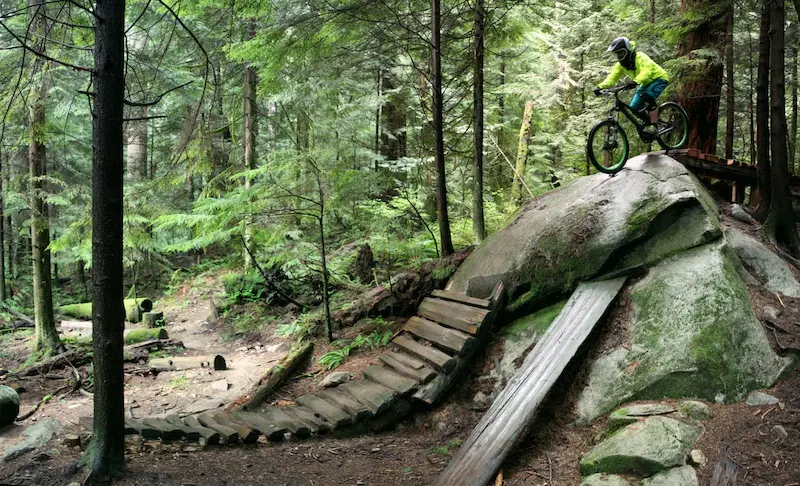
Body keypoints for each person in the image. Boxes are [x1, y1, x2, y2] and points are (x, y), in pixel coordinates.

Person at [594, 37, 669, 131]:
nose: (619, 56)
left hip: (659, 78)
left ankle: (654, 123)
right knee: (634, 107)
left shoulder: (640, 57)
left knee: (648, 96)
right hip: (645, 83)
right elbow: (612, 77)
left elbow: (647, 71)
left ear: (628, 50)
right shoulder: (621, 65)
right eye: (617, 54)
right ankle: (648, 122)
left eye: (621, 52)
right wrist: (600, 86)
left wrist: (635, 81)